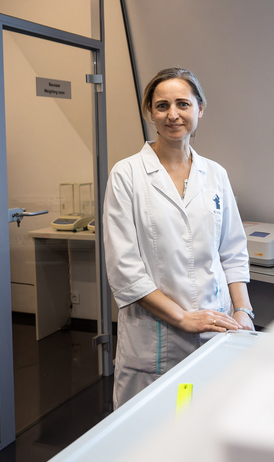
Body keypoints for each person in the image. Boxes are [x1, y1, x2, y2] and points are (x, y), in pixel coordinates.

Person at [103, 67, 254, 408]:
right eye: (162, 106)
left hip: (216, 328)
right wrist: (183, 318)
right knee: (151, 429)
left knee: (203, 424)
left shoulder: (215, 174)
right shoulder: (127, 174)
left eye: (183, 104)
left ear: (200, 109)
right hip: (155, 340)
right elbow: (125, 270)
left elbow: (232, 251)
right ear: (150, 113)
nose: (173, 115)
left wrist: (243, 311)